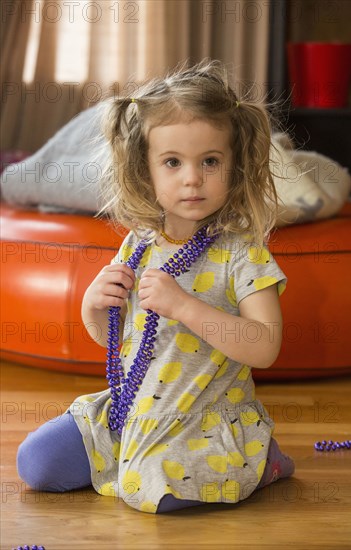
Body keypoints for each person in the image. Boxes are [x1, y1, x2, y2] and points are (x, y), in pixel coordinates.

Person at [17, 59, 295, 514]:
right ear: (146, 171)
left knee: (156, 495)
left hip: (199, 417)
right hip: (131, 408)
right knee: (38, 462)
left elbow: (264, 348)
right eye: (173, 162)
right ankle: (134, 458)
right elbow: (125, 345)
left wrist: (185, 306)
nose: (192, 178)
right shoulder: (138, 245)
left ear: (234, 165)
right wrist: (93, 307)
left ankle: (262, 459)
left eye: (210, 161)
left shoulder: (243, 253)